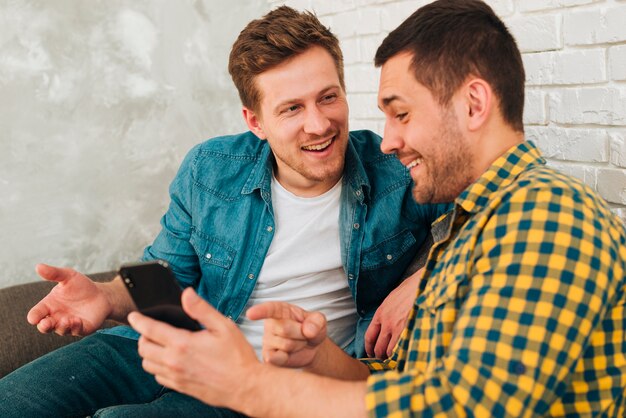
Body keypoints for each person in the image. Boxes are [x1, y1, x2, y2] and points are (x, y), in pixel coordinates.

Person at [124, 0, 626, 416]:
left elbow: (462, 408)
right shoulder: (470, 227)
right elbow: (409, 380)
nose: (386, 143)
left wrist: (251, 388)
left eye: (402, 114)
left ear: (474, 105)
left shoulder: (548, 218)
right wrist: (320, 356)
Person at [0, 6, 449, 417]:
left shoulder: (398, 170)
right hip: (164, 343)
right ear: (255, 121)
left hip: (261, 385)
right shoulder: (209, 170)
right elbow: (166, 273)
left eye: (328, 97)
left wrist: (425, 279)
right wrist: (107, 296)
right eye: (291, 108)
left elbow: (502, 202)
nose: (318, 124)